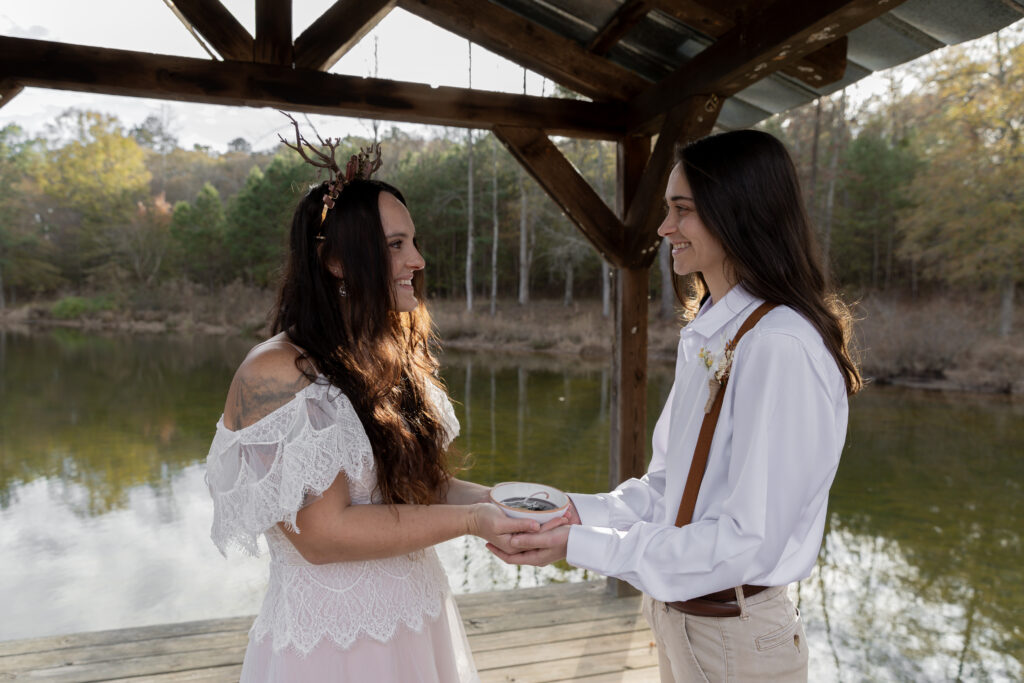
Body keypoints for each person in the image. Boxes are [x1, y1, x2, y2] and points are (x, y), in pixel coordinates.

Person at [488, 129, 862, 682]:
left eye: (681, 210)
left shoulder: (780, 345)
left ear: (736, 214)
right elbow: (668, 490)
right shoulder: (715, 333)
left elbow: (748, 540)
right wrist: (574, 513)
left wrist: (582, 546)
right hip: (682, 618)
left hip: (735, 637)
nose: (664, 228)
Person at [205, 131, 539, 682]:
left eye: (412, 242)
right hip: (336, 647)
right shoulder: (275, 373)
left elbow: (418, 485)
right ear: (335, 261)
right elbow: (322, 535)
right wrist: (473, 521)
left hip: (417, 622)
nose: (418, 259)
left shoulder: (390, 355)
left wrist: (513, 504)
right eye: (395, 246)